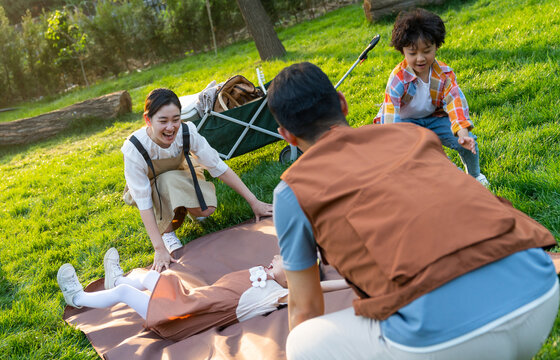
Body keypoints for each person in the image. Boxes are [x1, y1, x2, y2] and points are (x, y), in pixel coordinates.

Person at [267, 62, 559, 360]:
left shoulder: (291, 191)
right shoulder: (412, 135)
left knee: (301, 341)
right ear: (342, 102)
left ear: (286, 135)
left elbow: (305, 309)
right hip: (539, 290)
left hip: (445, 340)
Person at [121, 88, 272, 273]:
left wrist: (254, 202)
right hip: (154, 187)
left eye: (175, 119)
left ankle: (189, 210)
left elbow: (218, 166)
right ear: (148, 120)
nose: (171, 127)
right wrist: (159, 248)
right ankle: (168, 234)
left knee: (207, 210)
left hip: (181, 174)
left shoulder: (187, 132)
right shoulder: (134, 147)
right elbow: (143, 199)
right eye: (163, 121)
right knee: (166, 181)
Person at [56, 248, 348, 341]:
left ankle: (78, 298)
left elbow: (316, 287)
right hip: (189, 298)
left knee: (124, 293)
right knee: (152, 276)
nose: (275, 254)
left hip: (180, 317)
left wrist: (347, 283)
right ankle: (118, 278)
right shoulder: (265, 274)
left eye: (284, 258)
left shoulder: (273, 294)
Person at [374, 8, 489, 186]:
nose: (420, 58)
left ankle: (475, 176)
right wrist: (396, 143)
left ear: (436, 46)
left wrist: (463, 134)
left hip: (434, 118)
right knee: (428, 153)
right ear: (402, 51)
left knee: (468, 141)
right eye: (412, 53)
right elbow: (390, 113)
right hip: (406, 124)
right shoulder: (397, 78)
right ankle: (457, 181)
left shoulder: (444, 74)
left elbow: (455, 104)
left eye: (426, 51)